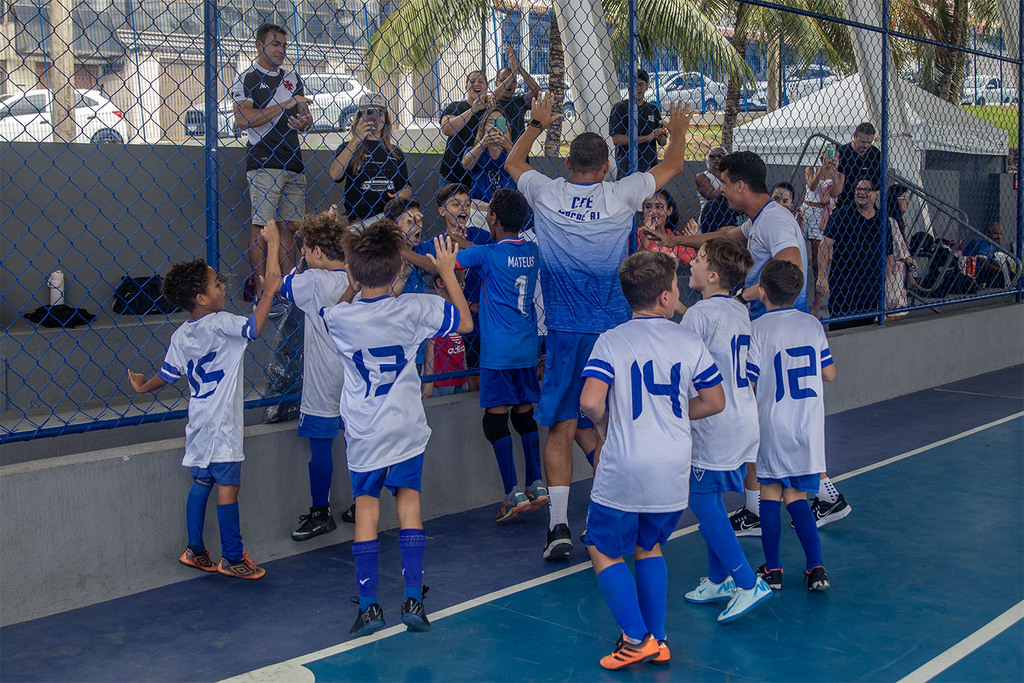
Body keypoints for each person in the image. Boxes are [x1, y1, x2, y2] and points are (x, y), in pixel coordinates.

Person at [505, 94, 695, 560]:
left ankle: (557, 526)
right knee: (612, 420)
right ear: (607, 166)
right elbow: (673, 165)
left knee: (561, 426)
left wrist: (536, 123)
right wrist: (677, 131)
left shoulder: (546, 193)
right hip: (614, 333)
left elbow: (513, 162)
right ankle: (614, 512)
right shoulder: (622, 193)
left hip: (566, 333)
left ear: (568, 163)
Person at [321, 223, 472, 637]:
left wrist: (352, 283)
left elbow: (335, 309)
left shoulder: (339, 317)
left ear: (353, 273)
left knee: (366, 508)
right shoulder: (414, 308)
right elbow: (464, 323)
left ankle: (369, 605)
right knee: (409, 505)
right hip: (404, 426)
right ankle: (412, 598)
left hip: (364, 431)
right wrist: (447, 272)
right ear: (397, 272)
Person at [579, 250, 726, 669]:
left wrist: (605, 425)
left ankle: (634, 637)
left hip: (626, 463)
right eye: (676, 287)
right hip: (672, 465)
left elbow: (590, 401)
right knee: (649, 546)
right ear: (665, 297)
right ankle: (658, 639)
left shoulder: (612, 340)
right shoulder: (688, 341)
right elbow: (715, 401)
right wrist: (674, 413)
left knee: (601, 546)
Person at [127, 225, 282, 580]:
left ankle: (195, 550)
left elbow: (166, 375)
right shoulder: (222, 323)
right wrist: (270, 283)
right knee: (229, 486)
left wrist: (143, 388)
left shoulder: (181, 334)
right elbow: (255, 329)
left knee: (202, 481)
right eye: (216, 285)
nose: (223, 287)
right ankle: (232, 557)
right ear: (200, 298)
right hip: (223, 423)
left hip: (198, 420)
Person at [680, 238, 773, 622]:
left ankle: (747, 582)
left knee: (701, 500)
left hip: (713, 424)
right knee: (712, 499)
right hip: (742, 416)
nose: (691, 263)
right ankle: (719, 579)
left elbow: (682, 365)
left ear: (714, 275)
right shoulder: (738, 309)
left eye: (699, 259)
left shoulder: (698, 316)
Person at [455, 188, 547, 523]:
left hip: (498, 353)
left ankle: (512, 493)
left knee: (494, 420)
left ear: (492, 218)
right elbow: (489, 252)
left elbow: (452, 262)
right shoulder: (532, 251)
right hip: (527, 348)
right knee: (524, 412)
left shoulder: (488, 255)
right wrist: (464, 243)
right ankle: (536, 483)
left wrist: (407, 251)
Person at [747, 259, 835, 592]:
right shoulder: (812, 325)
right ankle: (817, 568)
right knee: (797, 494)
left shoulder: (758, 328)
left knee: (770, 492)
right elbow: (829, 373)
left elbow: (750, 380)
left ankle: (774, 569)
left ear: (762, 292)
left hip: (773, 422)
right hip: (807, 425)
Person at [644, 150, 808, 321]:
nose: (721, 189)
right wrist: (674, 240)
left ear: (740, 186)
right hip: (769, 319)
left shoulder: (773, 220)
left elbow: (792, 272)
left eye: (724, 182)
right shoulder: (760, 218)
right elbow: (727, 236)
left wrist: (741, 298)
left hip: (781, 322)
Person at [274, 212, 350, 541]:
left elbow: (277, 283)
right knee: (358, 441)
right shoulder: (358, 276)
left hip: (323, 382)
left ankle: (321, 512)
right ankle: (363, 503)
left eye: (305, 250)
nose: (303, 255)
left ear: (317, 251)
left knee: (320, 447)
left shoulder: (314, 281)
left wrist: (274, 243)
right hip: (356, 378)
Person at [232, 23, 312, 317]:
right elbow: (244, 119)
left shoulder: (292, 78)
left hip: (294, 161)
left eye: (284, 45)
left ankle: (289, 290)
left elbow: (306, 118)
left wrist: (303, 121)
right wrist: (285, 104)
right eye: (276, 44)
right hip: (264, 161)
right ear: (259, 45)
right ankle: (262, 290)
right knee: (262, 227)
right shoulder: (247, 78)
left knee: (291, 226)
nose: (281, 50)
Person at [329, 94, 412, 224]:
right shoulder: (348, 147)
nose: (374, 118)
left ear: (385, 118)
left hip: (388, 219)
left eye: (379, 113)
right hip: (357, 219)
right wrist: (356, 139)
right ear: (360, 117)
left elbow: (406, 186)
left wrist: (403, 195)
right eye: (369, 113)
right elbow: (335, 175)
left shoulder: (395, 152)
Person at [826, 178, 887, 330]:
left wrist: (886, 283)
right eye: (858, 189)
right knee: (841, 329)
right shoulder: (841, 215)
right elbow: (824, 245)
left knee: (865, 330)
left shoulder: (882, 220)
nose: (861, 192)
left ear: (876, 193)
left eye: (867, 189)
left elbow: (889, 254)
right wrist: (821, 276)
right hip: (843, 287)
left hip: (870, 289)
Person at [440, 70, 513, 187]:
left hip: (483, 177)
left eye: (481, 81)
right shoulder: (455, 107)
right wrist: (473, 110)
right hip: (453, 174)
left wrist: (491, 110)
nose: (476, 84)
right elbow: (447, 129)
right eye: (472, 81)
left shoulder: (492, 111)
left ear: (486, 87)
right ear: (466, 87)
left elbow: (504, 135)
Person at [609, 70, 666, 177]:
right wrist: (646, 138)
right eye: (634, 85)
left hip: (649, 167)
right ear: (628, 86)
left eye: (641, 84)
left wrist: (661, 134)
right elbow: (617, 139)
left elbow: (663, 142)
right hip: (627, 167)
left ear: (647, 86)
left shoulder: (652, 109)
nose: (638, 89)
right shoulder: (620, 108)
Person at [803, 148, 839, 317]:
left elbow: (836, 192)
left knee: (818, 263)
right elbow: (812, 186)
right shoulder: (811, 169)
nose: (831, 158)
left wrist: (834, 170)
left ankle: (816, 306)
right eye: (828, 155)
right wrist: (822, 169)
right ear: (822, 156)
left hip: (822, 215)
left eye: (835, 156)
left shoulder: (839, 175)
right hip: (806, 211)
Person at [421, 274, 469, 398]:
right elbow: (429, 347)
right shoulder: (436, 310)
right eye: (458, 282)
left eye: (462, 282)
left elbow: (461, 343)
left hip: (459, 374)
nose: (462, 286)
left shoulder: (458, 309)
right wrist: (429, 381)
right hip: (441, 378)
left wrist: (465, 374)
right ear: (440, 283)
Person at [462, 106, 516, 202]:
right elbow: (466, 165)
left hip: (508, 202)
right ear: (483, 128)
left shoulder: (512, 150)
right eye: (490, 122)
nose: (494, 127)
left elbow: (521, 166)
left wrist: (508, 146)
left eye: (500, 123)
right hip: (481, 202)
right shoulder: (475, 150)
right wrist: (482, 144)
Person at [494, 44, 541, 146]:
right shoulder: (492, 103)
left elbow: (537, 91)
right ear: (496, 83)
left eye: (513, 81)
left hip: (518, 149)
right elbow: (492, 97)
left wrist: (518, 67)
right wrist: (513, 72)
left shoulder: (519, 101)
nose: (509, 84)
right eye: (504, 80)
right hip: (498, 151)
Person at [637, 189, 697, 265]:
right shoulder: (635, 234)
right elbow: (636, 264)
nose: (653, 211)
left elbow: (693, 263)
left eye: (658, 207)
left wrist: (692, 239)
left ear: (669, 210)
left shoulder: (675, 237)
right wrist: (647, 235)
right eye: (648, 207)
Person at [835, 122, 882, 210]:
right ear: (854, 136)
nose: (866, 146)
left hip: (868, 205)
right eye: (862, 142)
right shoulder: (842, 152)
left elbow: (882, 179)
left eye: (869, 142)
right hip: (844, 204)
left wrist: (876, 193)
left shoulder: (875, 153)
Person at [885, 184, 915, 317]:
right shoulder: (891, 221)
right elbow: (899, 249)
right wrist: (909, 260)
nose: (907, 202)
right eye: (904, 198)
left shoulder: (895, 221)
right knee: (893, 313)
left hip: (896, 271)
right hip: (893, 271)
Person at [963, 221, 1016, 288]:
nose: (998, 237)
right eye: (996, 233)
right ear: (988, 232)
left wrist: (1006, 268)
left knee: (1011, 273)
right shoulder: (982, 242)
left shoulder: (994, 244)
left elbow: (996, 261)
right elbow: (983, 264)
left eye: (1000, 234)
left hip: (982, 270)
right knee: (997, 272)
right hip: (971, 271)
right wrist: (1001, 270)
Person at [695, 146, 725, 220]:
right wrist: (728, 180)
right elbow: (712, 197)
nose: (716, 159)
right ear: (708, 159)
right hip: (709, 217)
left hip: (727, 215)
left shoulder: (730, 175)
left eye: (720, 156)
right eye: (712, 156)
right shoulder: (702, 177)